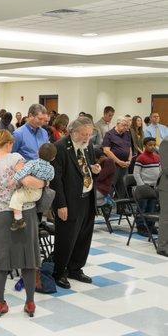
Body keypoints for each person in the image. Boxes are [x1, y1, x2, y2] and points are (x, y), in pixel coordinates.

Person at [0, 130, 44, 317]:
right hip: (24, 211)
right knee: (29, 258)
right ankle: (30, 303)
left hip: (1, 212)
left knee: (2, 259)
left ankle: (0, 303)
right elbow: (26, 180)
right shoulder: (15, 158)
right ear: (9, 143)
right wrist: (42, 183)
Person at [51, 117, 101, 289]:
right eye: (84, 134)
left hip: (87, 198)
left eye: (89, 134)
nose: (87, 137)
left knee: (83, 236)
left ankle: (75, 268)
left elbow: (87, 169)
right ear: (73, 131)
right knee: (66, 238)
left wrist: (95, 171)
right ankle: (59, 271)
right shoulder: (60, 147)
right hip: (69, 201)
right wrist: (60, 204)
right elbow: (55, 180)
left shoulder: (87, 147)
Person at [8, 143, 56, 231]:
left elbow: (22, 172)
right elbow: (51, 177)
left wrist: (13, 179)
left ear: (38, 152)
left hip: (29, 190)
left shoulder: (33, 164)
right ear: (53, 158)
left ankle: (18, 220)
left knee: (16, 198)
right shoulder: (51, 168)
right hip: (39, 192)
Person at [133, 137, 160, 236]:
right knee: (142, 207)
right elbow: (136, 174)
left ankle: (150, 226)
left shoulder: (157, 157)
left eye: (154, 145)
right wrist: (142, 186)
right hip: (144, 187)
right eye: (150, 145)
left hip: (154, 187)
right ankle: (141, 226)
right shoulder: (141, 158)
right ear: (144, 146)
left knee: (152, 207)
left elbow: (160, 171)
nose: (152, 147)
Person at [102, 116, 132, 198]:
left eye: (127, 126)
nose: (126, 127)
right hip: (113, 165)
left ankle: (121, 209)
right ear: (117, 124)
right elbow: (106, 150)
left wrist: (129, 160)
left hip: (125, 165)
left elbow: (129, 148)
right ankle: (108, 208)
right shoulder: (109, 134)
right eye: (124, 125)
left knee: (122, 188)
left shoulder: (127, 134)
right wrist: (118, 161)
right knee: (111, 188)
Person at [158, 138, 168, 257]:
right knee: (166, 217)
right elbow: (166, 168)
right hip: (166, 186)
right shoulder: (166, 142)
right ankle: (163, 247)